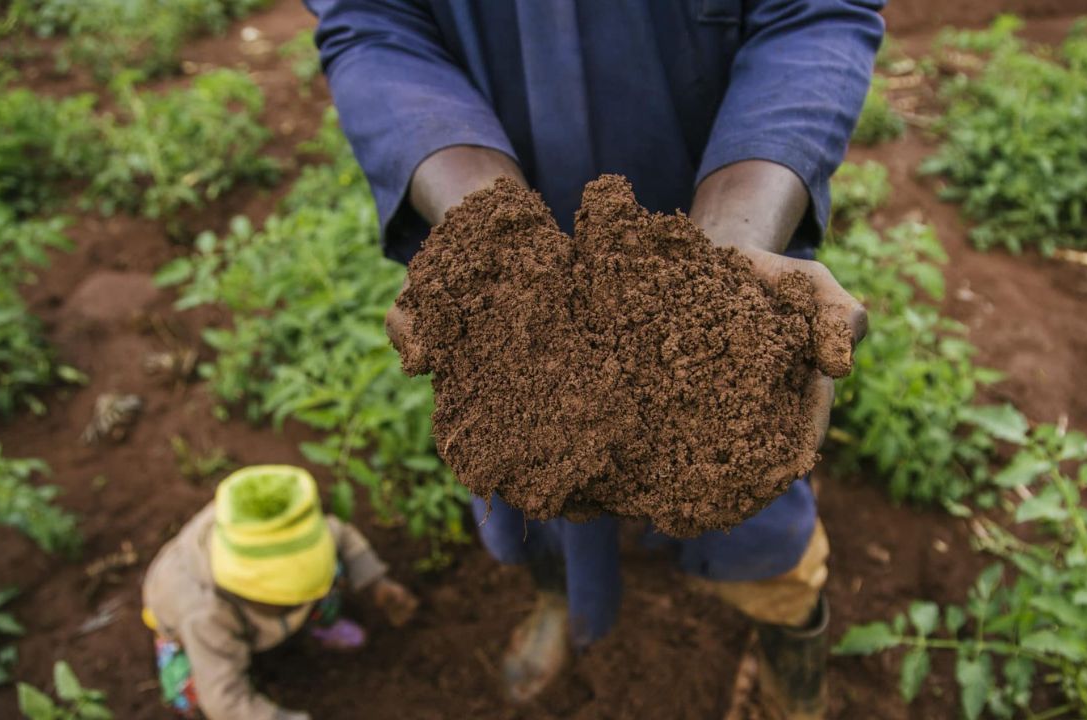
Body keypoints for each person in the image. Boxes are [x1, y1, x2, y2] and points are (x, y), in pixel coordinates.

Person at [306, 2, 880, 717]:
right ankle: (558, 596)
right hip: (497, 214)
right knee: (533, 473)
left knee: (751, 492)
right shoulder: (507, 296)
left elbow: (815, 15)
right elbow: (374, 24)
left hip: (727, 181)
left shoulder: (722, 293)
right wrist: (489, 232)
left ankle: (788, 648)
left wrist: (727, 252)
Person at [141, 465, 419, 719]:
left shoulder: (288, 536)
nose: (305, 601)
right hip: (192, 637)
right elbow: (224, 701)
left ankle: (321, 624)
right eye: (288, 602)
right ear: (246, 592)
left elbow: (341, 535)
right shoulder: (205, 614)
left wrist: (377, 583)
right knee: (194, 691)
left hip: (251, 619)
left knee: (329, 574)